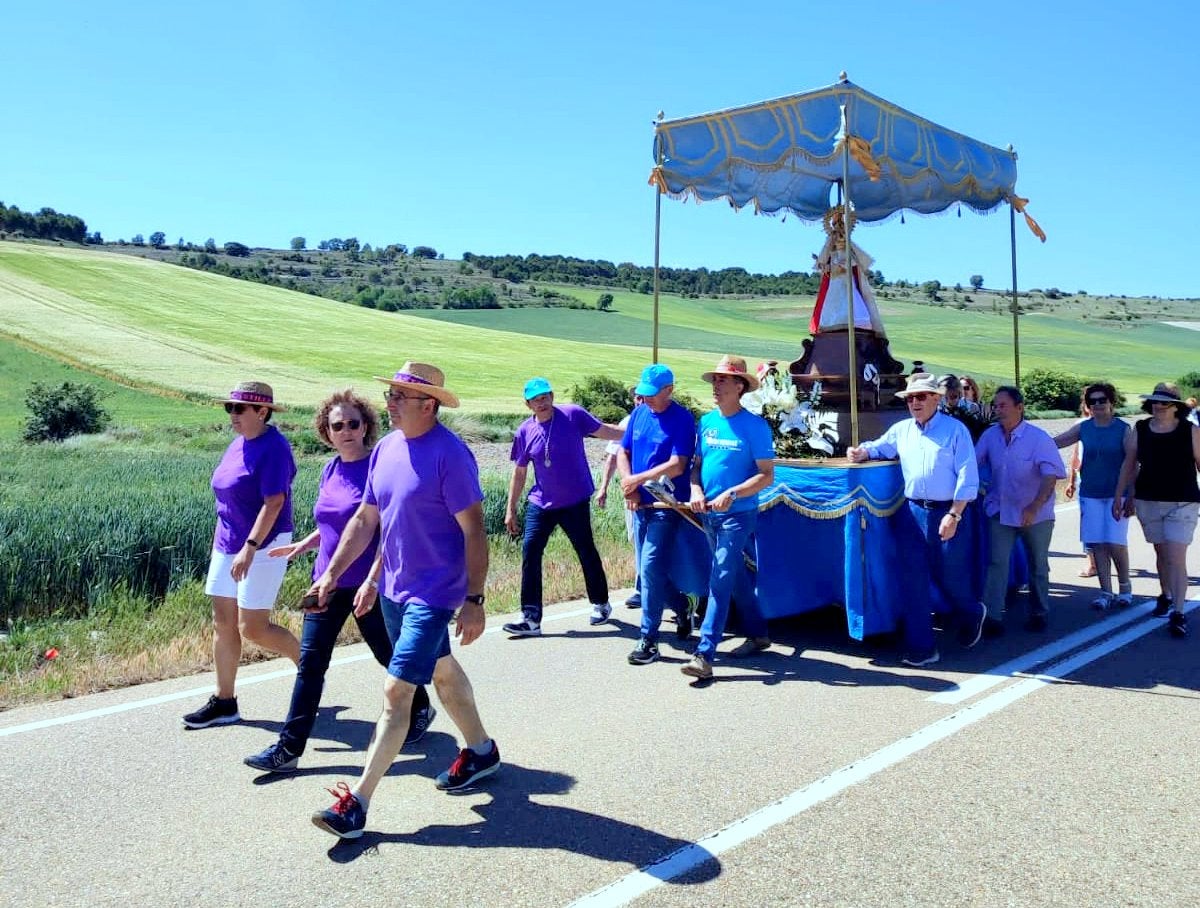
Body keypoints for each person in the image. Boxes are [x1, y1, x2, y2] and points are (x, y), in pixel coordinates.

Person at [310, 362, 498, 839]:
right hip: (393, 587)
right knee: (439, 669)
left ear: (428, 404)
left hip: (434, 593)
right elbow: (369, 519)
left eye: (399, 396)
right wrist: (339, 575)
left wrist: (474, 599)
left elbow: (474, 530)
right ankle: (480, 751)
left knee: (398, 692)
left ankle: (357, 803)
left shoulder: (449, 456)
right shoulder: (388, 450)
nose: (389, 404)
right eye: (391, 394)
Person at [244, 390, 435, 773]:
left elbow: (386, 531)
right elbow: (333, 525)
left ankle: (421, 706)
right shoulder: (331, 469)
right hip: (326, 584)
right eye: (337, 425)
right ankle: (288, 749)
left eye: (353, 423)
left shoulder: (379, 467)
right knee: (311, 665)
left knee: (389, 655)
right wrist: (306, 543)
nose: (346, 431)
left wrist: (373, 579)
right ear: (326, 432)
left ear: (366, 426)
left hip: (369, 585)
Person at [183, 381, 300, 729]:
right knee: (222, 621)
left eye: (239, 408)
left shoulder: (274, 448)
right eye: (229, 408)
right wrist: (227, 542)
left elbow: (274, 502)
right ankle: (224, 702)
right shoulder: (237, 445)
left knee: (253, 627)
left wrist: (249, 548)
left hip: (264, 543)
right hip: (227, 541)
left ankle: (309, 668)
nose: (232, 415)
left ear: (262, 412)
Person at [848, 373, 987, 665]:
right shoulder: (901, 430)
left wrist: (954, 514)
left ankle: (972, 612)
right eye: (911, 398)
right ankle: (922, 647)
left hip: (948, 510)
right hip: (912, 512)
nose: (915, 402)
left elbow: (967, 475)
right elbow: (879, 447)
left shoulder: (955, 430)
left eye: (921, 396)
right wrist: (861, 452)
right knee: (913, 581)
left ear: (936, 399)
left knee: (949, 575)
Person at [502, 378, 624, 636]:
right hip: (541, 503)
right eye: (537, 399)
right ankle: (531, 617)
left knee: (585, 550)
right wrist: (510, 508)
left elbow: (604, 431)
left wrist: (637, 434)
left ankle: (601, 603)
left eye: (546, 396)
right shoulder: (525, 431)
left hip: (575, 500)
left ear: (552, 396)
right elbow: (520, 472)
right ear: (528, 404)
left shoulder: (572, 415)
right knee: (530, 552)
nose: (543, 402)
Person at [683, 356, 775, 680]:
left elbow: (766, 476)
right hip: (709, 514)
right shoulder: (706, 422)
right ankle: (759, 633)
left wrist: (733, 493)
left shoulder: (755, 427)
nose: (716, 386)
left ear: (740, 387)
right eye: (715, 380)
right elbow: (696, 466)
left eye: (723, 380)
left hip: (738, 515)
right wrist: (695, 490)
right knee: (733, 574)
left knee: (720, 578)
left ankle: (704, 655)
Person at [617, 364, 697, 665]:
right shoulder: (639, 414)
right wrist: (629, 486)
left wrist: (637, 480)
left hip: (667, 504)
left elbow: (678, 464)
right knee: (647, 569)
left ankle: (648, 640)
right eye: (643, 394)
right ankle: (681, 605)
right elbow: (623, 452)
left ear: (669, 391)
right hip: (640, 504)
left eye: (652, 394)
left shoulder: (681, 419)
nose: (645, 399)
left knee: (649, 566)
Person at [975, 386, 1067, 634]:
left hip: (1035, 514)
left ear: (1020, 407)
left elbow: (1051, 476)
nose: (998, 410)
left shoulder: (1039, 438)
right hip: (1000, 510)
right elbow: (972, 463)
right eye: (996, 405)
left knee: (1038, 563)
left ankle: (1039, 611)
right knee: (997, 563)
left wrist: (1035, 506)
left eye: (1003, 405)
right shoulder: (990, 436)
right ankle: (992, 616)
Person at [1113, 382, 1200, 639]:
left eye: (1165, 402)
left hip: (1183, 501)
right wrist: (1120, 495)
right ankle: (1166, 593)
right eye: (1155, 401)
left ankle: (1179, 612)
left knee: (1176, 556)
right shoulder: (1140, 429)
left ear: (1177, 407)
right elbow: (1129, 464)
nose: (1159, 406)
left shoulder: (1191, 431)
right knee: (1161, 552)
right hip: (1148, 499)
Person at [1053, 384, 1133, 610]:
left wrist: (1132, 495)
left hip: (1118, 495)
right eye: (1093, 401)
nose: (1098, 404)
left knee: (1116, 543)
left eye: (1102, 400)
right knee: (1097, 543)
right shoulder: (1084, 428)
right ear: (1088, 406)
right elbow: (1057, 442)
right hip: (1091, 493)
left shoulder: (1123, 429)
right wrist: (1027, 442)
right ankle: (1105, 592)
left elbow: (1132, 463)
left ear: (1111, 402)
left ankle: (1125, 588)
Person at [598, 387, 643, 609]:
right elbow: (613, 458)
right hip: (631, 489)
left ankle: (642, 588)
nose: (640, 400)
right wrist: (603, 487)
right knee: (635, 536)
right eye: (637, 396)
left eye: (645, 396)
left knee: (652, 540)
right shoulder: (626, 423)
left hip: (659, 488)